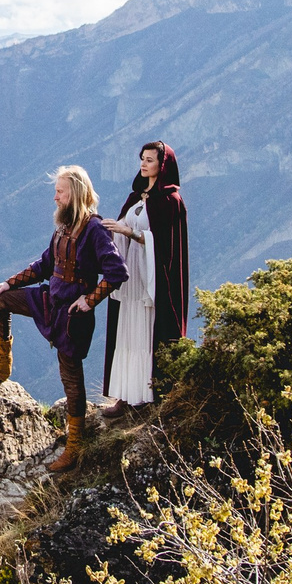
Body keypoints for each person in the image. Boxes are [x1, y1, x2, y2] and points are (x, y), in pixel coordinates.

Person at [0, 164, 128, 473]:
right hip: (48, 301)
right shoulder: (64, 225)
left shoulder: (94, 230)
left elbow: (117, 272)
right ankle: (1, 363)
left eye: (60, 192)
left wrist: (90, 299)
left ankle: (74, 445)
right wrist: (10, 282)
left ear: (75, 194)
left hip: (72, 315)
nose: (55, 197)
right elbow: (44, 263)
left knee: (71, 379)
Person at [102, 141, 190, 408]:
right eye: (142, 158)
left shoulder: (170, 202)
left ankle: (149, 394)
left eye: (150, 160)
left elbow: (166, 245)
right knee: (127, 330)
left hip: (154, 280)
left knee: (147, 332)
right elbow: (124, 226)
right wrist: (111, 230)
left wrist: (132, 234)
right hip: (131, 277)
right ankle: (126, 394)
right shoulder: (135, 198)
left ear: (162, 166)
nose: (143, 164)